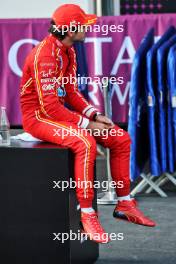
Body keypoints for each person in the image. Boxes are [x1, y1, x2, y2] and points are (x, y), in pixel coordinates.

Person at [20, 4, 156, 244]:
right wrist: (88, 126)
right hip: (38, 118)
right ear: (71, 30)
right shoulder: (45, 55)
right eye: (83, 25)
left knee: (121, 138)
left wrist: (94, 115)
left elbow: (71, 92)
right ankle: (88, 215)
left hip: (57, 113)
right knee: (85, 141)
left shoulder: (68, 51)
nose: (88, 28)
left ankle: (125, 203)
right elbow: (50, 107)